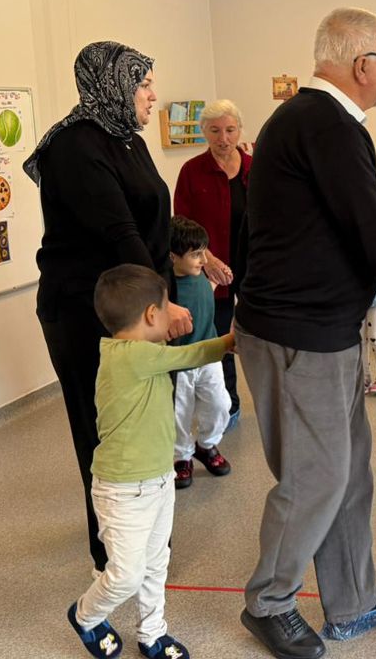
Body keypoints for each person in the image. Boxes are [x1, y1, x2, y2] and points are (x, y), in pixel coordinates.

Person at [234, 7, 376, 659]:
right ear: (361, 62)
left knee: (347, 471)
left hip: (317, 332)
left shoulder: (303, 122)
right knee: (316, 477)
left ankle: (354, 600)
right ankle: (269, 602)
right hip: (300, 336)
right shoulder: (326, 124)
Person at [27, 41, 193, 573]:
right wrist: (161, 306)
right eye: (143, 84)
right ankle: (114, 551)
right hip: (86, 312)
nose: (152, 95)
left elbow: (152, 221)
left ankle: (143, 535)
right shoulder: (76, 145)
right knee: (104, 430)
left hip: (135, 308)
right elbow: (120, 233)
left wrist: (192, 262)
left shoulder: (126, 138)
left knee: (144, 424)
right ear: (113, 87)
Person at [66, 264, 232, 659]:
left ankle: (153, 633)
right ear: (151, 316)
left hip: (158, 480)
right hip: (123, 490)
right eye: (167, 305)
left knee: (157, 564)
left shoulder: (141, 353)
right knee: (126, 575)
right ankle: (86, 615)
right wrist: (228, 342)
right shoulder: (131, 356)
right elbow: (191, 354)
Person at [174, 99, 250, 428]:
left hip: (252, 268)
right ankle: (228, 406)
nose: (223, 138)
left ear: (239, 131)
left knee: (258, 337)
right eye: (216, 130)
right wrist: (208, 258)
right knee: (220, 340)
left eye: (230, 130)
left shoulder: (254, 167)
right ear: (204, 132)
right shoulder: (192, 171)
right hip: (209, 273)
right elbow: (181, 224)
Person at [168, 216, 233, 490]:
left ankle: (206, 445)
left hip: (208, 357)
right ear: (173, 258)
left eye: (203, 253)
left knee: (220, 405)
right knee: (179, 414)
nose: (203, 260)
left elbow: (204, 296)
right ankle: (182, 457)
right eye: (196, 255)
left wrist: (217, 281)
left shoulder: (200, 275)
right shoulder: (167, 290)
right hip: (181, 363)